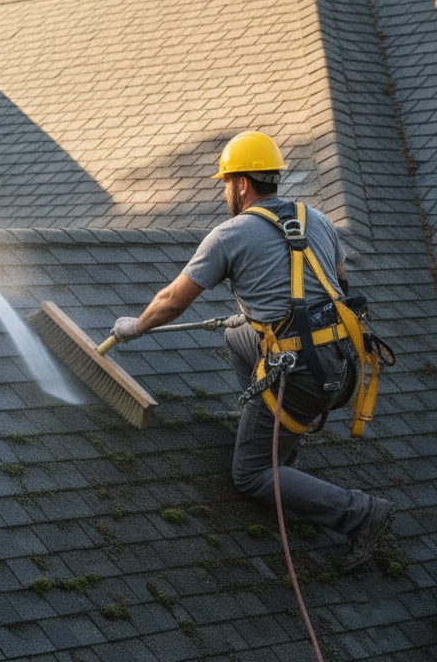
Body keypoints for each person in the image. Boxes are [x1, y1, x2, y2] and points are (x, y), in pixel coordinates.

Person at [111, 131, 393, 573]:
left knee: (251, 476)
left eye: (226, 182)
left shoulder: (230, 234)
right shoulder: (317, 218)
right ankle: (274, 434)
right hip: (343, 362)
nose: (225, 191)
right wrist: (268, 314)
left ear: (242, 183)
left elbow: (172, 301)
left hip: (304, 378)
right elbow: (339, 282)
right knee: (238, 334)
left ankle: (360, 513)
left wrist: (136, 326)